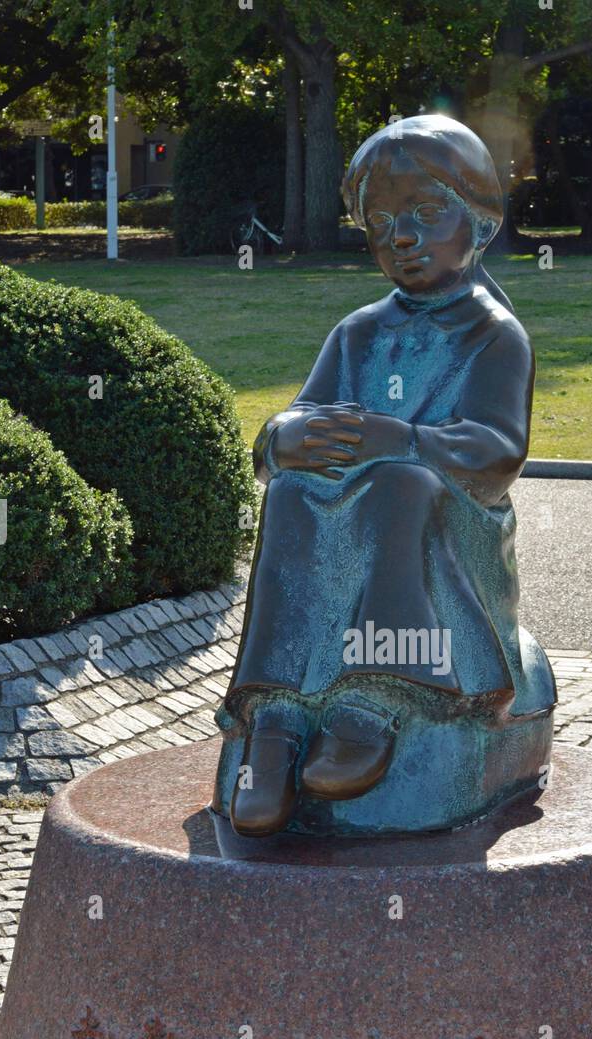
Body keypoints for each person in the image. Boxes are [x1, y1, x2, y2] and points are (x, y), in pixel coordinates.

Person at [215, 114, 555, 837]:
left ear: (482, 225)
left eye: (426, 214)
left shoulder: (494, 335)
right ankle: (274, 716)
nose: (402, 236)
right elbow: (287, 424)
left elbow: (498, 453)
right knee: (293, 495)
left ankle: (377, 696)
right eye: (381, 221)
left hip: (451, 527)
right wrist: (288, 440)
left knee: (405, 484)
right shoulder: (358, 333)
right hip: (346, 520)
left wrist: (400, 439)